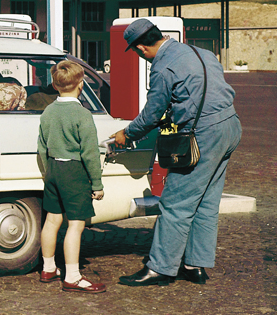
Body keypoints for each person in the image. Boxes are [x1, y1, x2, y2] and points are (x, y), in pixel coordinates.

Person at [113, 18, 241, 287]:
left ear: (140, 48)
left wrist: (128, 133)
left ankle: (160, 268)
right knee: (206, 201)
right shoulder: (201, 52)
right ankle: (196, 265)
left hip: (204, 134)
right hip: (230, 126)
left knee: (176, 203)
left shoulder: (162, 67)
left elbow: (151, 114)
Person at [37, 60, 106, 293]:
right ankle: (73, 276)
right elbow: (90, 153)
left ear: (55, 85)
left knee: (52, 220)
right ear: (81, 84)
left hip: (53, 169)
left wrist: (47, 173)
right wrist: (96, 184)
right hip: (74, 171)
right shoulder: (82, 114)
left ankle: (48, 268)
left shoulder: (47, 112)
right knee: (75, 226)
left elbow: (41, 148)